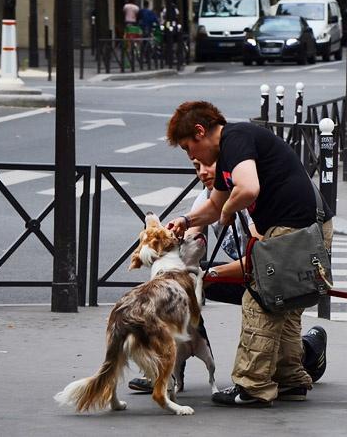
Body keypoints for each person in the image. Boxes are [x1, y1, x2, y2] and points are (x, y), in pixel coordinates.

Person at [165, 101, 334, 406]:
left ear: (200, 132)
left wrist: (230, 209)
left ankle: (253, 385)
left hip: (295, 227)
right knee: (284, 306)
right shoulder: (230, 150)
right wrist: (187, 221)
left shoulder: (236, 139)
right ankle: (290, 380)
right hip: (303, 226)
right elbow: (214, 205)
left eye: (188, 147)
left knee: (259, 299)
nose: (191, 156)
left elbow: (248, 188)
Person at [127, 157, 329, 394]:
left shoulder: (248, 197)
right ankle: (169, 366)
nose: (202, 172)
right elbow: (191, 246)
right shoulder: (206, 199)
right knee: (186, 289)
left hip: (276, 274)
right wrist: (174, 259)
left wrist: (210, 273)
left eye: (208, 165)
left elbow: (262, 260)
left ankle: (311, 352)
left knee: (280, 344)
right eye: (196, 167)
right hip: (247, 274)